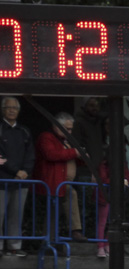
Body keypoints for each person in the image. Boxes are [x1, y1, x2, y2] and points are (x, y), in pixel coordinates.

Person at [34, 113, 87, 242]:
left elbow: (68, 159)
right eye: (67, 128)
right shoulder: (46, 137)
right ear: (56, 126)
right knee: (67, 199)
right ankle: (74, 231)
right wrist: (74, 152)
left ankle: (52, 241)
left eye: (71, 129)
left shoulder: (65, 141)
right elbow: (51, 154)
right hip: (53, 182)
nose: (70, 132)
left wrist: (82, 157)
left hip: (62, 182)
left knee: (55, 215)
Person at [0, 97, 35, 256]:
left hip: (21, 181)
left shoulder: (24, 131)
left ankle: (14, 246)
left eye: (15, 108)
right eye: (8, 107)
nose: (12, 110)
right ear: (3, 110)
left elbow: (30, 154)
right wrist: (15, 171)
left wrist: (24, 171)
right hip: (2, 180)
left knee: (16, 214)